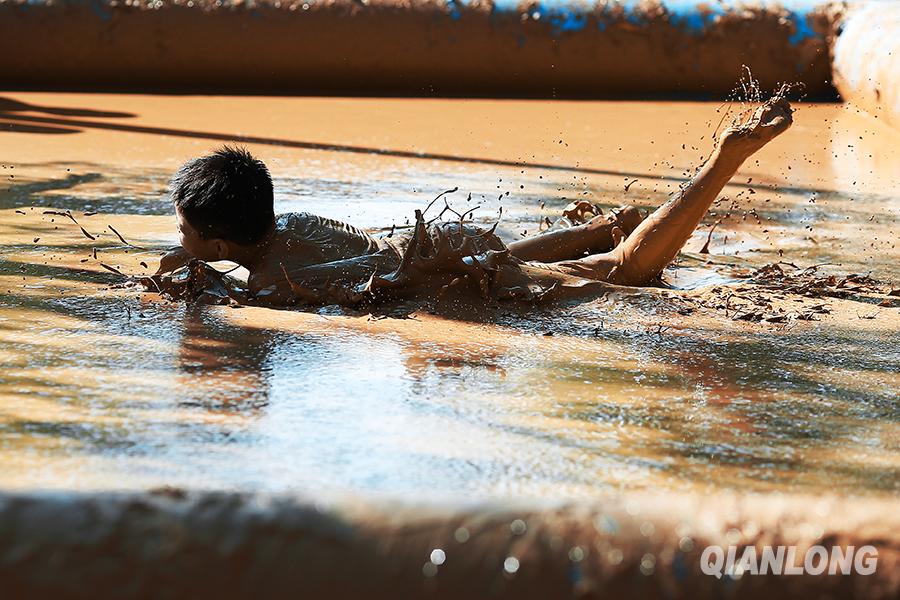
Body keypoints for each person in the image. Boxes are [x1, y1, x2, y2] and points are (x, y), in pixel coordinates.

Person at [157, 98, 793, 306]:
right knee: (532, 253)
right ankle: (599, 227)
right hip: (462, 254)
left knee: (627, 272)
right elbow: (372, 256)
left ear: (217, 244)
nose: (177, 237)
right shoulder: (292, 222)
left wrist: (221, 291)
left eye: (184, 230)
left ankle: (724, 161)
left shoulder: (273, 278)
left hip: (469, 282)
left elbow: (375, 278)